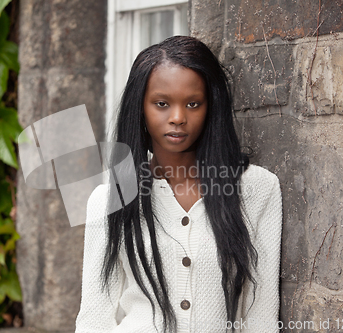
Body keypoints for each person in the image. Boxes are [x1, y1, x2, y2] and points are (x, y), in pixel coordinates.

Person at [75, 35, 282, 333]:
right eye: (161, 103)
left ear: (211, 107)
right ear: (141, 108)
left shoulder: (256, 189)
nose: (177, 118)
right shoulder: (110, 198)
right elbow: (94, 316)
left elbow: (261, 314)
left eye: (193, 104)